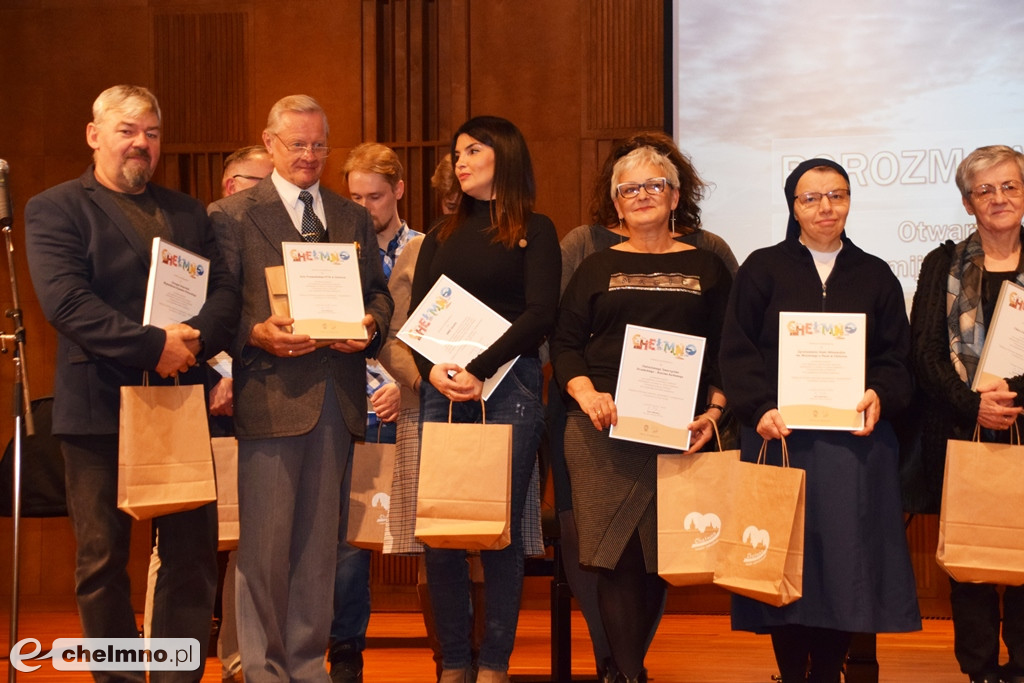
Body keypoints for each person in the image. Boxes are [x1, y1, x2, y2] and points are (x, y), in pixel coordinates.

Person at [24, 84, 239, 683]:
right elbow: (67, 303)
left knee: (193, 559)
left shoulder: (190, 212)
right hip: (97, 411)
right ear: (95, 136)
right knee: (101, 563)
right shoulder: (54, 207)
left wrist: (192, 340)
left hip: (178, 404)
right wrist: (155, 346)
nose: (140, 143)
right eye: (126, 130)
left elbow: (224, 293)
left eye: (150, 131)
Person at [208, 94, 392, 682]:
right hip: (268, 400)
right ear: (270, 144)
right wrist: (254, 333)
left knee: (320, 554)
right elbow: (219, 306)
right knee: (262, 551)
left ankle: (308, 668)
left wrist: (370, 324)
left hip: (337, 401)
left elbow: (378, 295)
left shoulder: (351, 215)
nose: (309, 155)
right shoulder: (231, 215)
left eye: (318, 145)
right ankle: (262, 671)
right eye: (296, 144)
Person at [719, 158, 921, 682]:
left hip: (854, 447)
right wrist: (758, 406)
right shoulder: (761, 268)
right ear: (793, 206)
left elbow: (897, 358)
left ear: (850, 201)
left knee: (844, 568)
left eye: (837, 195)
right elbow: (737, 351)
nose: (825, 207)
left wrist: (881, 392)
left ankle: (828, 672)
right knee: (783, 563)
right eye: (811, 198)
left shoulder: (875, 273)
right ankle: (791, 673)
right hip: (778, 440)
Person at [549, 131, 738, 681]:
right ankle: (626, 674)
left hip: (683, 429)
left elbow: (733, 347)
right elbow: (564, 344)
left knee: (660, 556)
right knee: (616, 554)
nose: (642, 196)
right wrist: (586, 393)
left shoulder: (709, 266)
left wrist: (716, 411)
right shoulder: (594, 265)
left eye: (655, 185)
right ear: (616, 202)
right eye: (628, 189)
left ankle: (627, 668)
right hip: (602, 430)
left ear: (676, 196)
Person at [409, 116, 560, 683]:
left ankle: (494, 662)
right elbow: (416, 319)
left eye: (473, 149)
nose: (459, 160)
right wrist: (433, 371)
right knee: (442, 530)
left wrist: (481, 367)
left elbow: (541, 314)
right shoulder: (440, 232)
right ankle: (453, 661)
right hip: (443, 390)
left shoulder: (536, 229)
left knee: (499, 531)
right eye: (456, 152)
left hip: (510, 389)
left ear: (506, 155)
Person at [909, 145, 1024, 683]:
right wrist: (974, 403)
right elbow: (925, 354)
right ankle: (979, 671)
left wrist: (1013, 395)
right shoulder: (941, 264)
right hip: (962, 432)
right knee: (971, 564)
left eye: (1010, 186)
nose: (999, 198)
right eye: (986, 190)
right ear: (966, 201)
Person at [326, 142, 419, 683]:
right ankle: (346, 653)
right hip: (348, 409)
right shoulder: (336, 251)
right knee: (349, 540)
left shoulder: (429, 249)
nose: (365, 208)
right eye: (355, 196)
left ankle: (452, 653)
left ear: (399, 191)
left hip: (411, 405)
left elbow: (431, 334)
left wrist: (399, 388)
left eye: (376, 196)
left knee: (437, 536)